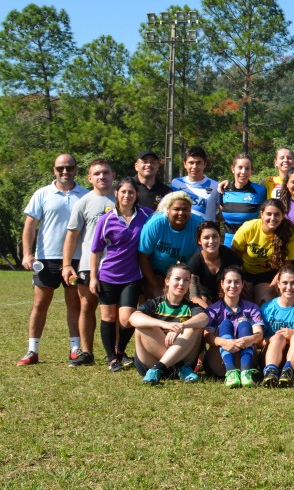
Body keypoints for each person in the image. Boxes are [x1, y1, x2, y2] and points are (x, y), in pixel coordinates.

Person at [90, 177, 153, 371]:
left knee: (127, 319)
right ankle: (111, 359)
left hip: (132, 276)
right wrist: (93, 277)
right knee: (108, 318)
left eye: (131, 192)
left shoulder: (147, 215)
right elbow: (96, 250)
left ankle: (119, 350)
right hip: (107, 276)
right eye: (123, 192)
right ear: (116, 194)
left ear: (137, 195)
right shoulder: (106, 218)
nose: (127, 196)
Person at [62, 158, 117, 366]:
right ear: (89, 178)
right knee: (87, 306)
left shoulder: (122, 198)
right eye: (97, 174)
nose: (102, 177)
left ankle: (116, 352)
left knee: (116, 310)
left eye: (106, 172)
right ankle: (86, 352)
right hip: (88, 264)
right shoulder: (83, 201)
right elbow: (72, 235)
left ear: (113, 175)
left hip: (117, 265)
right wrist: (67, 264)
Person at [128, 263, 208, 385]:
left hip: (183, 361)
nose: (181, 283)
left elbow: (204, 319)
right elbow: (133, 318)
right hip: (151, 362)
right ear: (167, 281)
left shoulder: (192, 307)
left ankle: (159, 368)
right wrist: (165, 325)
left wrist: (182, 326)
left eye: (186, 280)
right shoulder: (155, 303)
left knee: (194, 326)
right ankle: (175, 366)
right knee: (143, 325)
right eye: (177, 279)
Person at [230, 198, 294, 304]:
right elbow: (233, 254)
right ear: (261, 214)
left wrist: (271, 289)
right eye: (268, 214)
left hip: (269, 275)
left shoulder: (288, 234)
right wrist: (239, 277)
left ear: (283, 216)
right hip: (245, 272)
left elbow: (286, 266)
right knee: (244, 301)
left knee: (264, 300)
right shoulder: (249, 227)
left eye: (277, 214)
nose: (272, 218)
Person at [204, 266, 265, 387]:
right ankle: (230, 371)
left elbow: (259, 334)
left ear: (242, 284)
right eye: (229, 281)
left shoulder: (252, 308)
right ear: (222, 284)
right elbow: (207, 336)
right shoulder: (213, 309)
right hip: (220, 360)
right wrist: (223, 342)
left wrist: (249, 339)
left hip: (245, 354)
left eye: (237, 282)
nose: (233, 285)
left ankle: (245, 372)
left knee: (244, 324)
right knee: (225, 324)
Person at [138, 191, 204, 299]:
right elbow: (143, 257)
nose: (181, 213)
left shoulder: (198, 224)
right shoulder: (155, 224)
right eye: (176, 209)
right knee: (159, 300)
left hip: (185, 271)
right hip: (156, 271)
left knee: (189, 300)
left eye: (185, 209)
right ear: (168, 209)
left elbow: (205, 253)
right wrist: (155, 285)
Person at [260, 265, 294, 387]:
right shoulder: (268, 308)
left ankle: (288, 372)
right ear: (278, 284)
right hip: (271, 355)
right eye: (285, 283)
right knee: (278, 338)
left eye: (293, 283)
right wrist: (274, 338)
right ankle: (270, 372)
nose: (289, 287)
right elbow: (258, 341)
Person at [212, 153, 266, 247]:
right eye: (240, 167)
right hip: (227, 243)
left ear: (251, 170)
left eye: (247, 168)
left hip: (250, 243)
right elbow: (220, 215)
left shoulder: (260, 190)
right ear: (233, 169)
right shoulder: (223, 190)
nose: (243, 172)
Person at [186, 222, 244, 308]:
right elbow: (194, 296)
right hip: (206, 297)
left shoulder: (229, 255)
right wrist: (211, 312)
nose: (211, 241)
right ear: (199, 241)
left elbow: (241, 281)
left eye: (215, 236)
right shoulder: (195, 262)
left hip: (228, 292)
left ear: (220, 238)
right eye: (206, 238)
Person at [170, 145, 217, 221]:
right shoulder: (176, 183)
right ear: (185, 164)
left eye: (199, 163)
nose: (194, 166)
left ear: (205, 164)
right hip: (181, 231)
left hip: (204, 231)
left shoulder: (215, 186)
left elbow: (224, 211)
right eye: (191, 163)